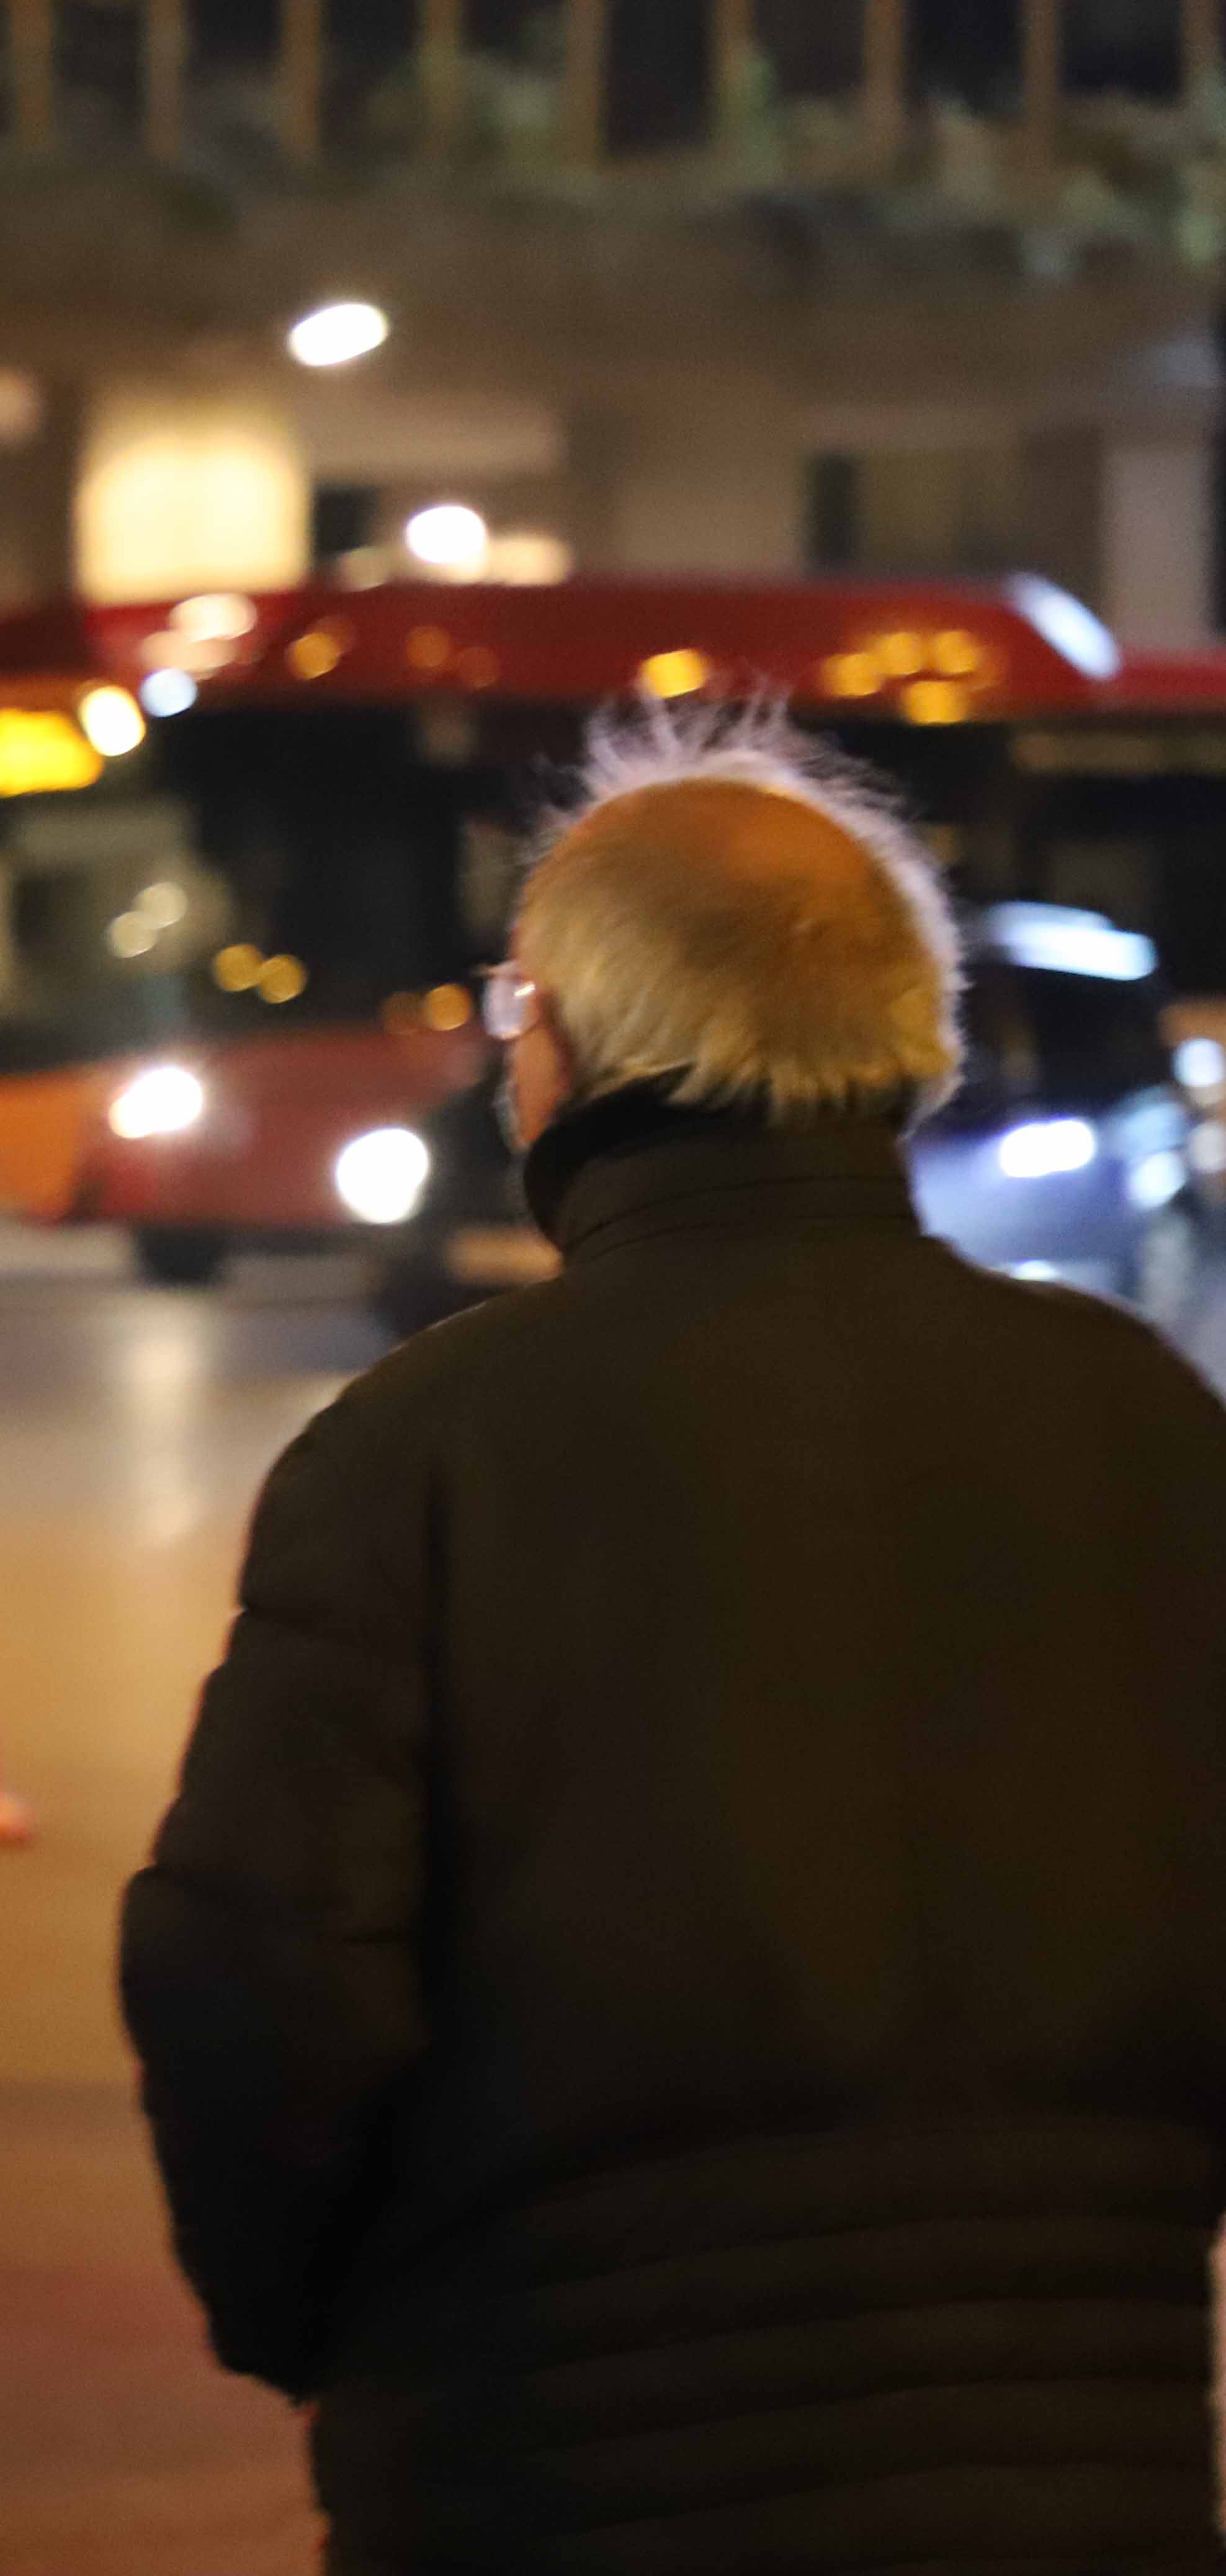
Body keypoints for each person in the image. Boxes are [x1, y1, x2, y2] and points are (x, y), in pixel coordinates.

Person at [120, 712, 1226, 2574]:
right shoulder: (1138, 1425)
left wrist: (310, 2323)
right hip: (1082, 2462)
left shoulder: (424, 1453)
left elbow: (257, 1977)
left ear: (565, 1047)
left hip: (560, 2459)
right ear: (903, 1039)